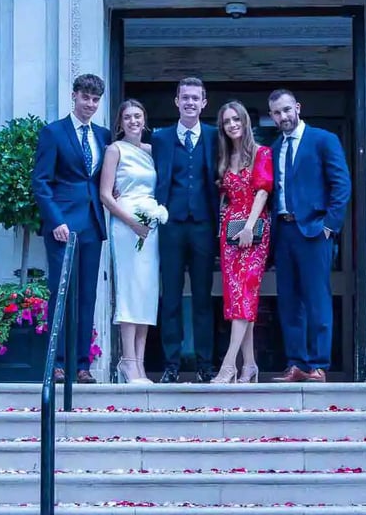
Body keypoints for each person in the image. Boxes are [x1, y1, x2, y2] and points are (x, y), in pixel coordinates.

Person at [31, 73, 111, 384]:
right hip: (63, 227)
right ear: (74, 96)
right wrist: (55, 221)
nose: (90, 104)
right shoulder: (53, 133)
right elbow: (41, 182)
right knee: (61, 294)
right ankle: (58, 362)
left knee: (88, 296)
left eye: (95, 99)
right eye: (85, 98)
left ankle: (82, 364)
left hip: (93, 223)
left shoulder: (103, 136)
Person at [268, 89, 351, 383]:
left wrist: (329, 226)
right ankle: (296, 363)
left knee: (317, 300)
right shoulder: (274, 147)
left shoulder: (323, 140)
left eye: (287, 110)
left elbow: (341, 186)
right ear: (272, 117)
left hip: (314, 231)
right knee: (289, 302)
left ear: (298, 108)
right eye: (277, 113)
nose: (283, 117)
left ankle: (318, 364)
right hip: (284, 231)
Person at [151, 77, 220, 383]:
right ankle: (171, 364)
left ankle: (206, 364)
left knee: (204, 298)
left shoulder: (215, 136)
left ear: (204, 103)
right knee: (172, 298)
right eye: (185, 98)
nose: (190, 103)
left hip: (204, 226)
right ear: (176, 101)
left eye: (196, 98)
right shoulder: (161, 138)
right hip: (171, 227)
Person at [99, 99, 160, 385]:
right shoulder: (115, 150)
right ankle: (127, 361)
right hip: (126, 226)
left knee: (146, 291)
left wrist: (149, 221)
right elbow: (105, 195)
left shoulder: (151, 150)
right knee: (129, 289)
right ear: (120, 122)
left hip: (150, 227)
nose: (134, 121)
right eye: (128, 117)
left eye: (138, 115)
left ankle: (140, 363)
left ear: (144, 119)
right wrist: (133, 223)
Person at [212, 101, 273, 384]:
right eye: (227, 121)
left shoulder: (261, 153)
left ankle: (228, 365)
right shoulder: (225, 157)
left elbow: (262, 193)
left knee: (245, 291)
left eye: (236, 119)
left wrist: (249, 227)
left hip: (254, 228)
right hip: (229, 232)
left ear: (245, 121)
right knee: (237, 296)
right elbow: (224, 194)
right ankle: (249, 365)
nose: (232, 125)